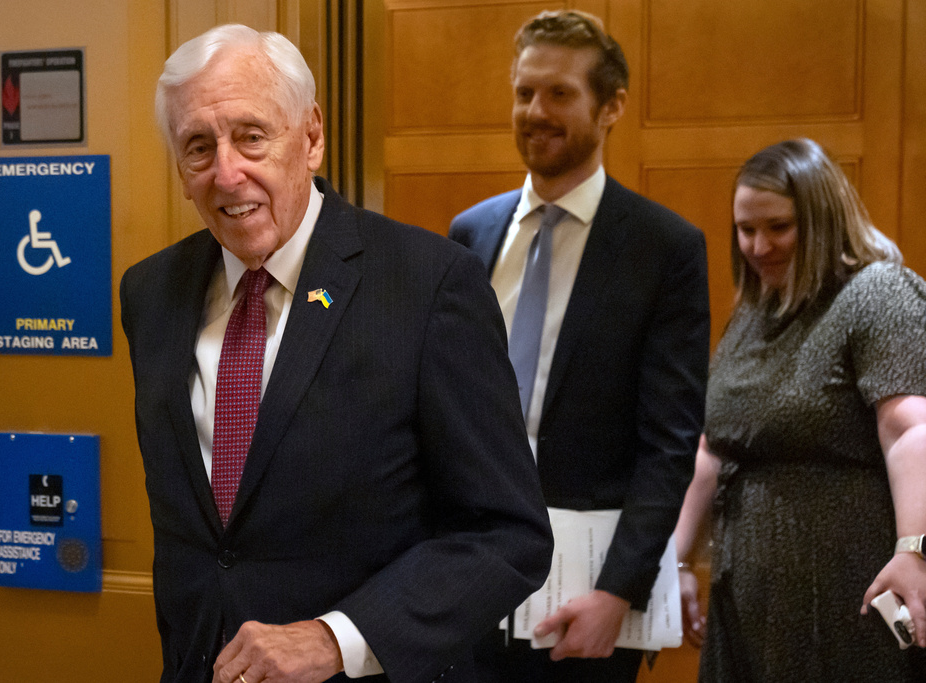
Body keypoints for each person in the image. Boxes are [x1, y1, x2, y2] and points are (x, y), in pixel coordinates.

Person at [120, 24, 554, 683]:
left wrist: (337, 638)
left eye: (251, 136)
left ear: (312, 137)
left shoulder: (428, 285)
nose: (227, 173)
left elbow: (507, 534)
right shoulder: (151, 293)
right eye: (198, 147)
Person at [449, 9, 709, 682]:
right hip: (468, 579)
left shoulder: (665, 249)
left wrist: (619, 592)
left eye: (559, 93)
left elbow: (670, 443)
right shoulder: (470, 235)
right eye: (524, 92)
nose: (535, 111)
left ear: (611, 106)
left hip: (587, 601)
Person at [673, 138, 926, 681]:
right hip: (746, 594)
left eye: (779, 227)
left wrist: (914, 550)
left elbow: (909, 429)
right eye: (746, 229)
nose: (758, 246)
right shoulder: (751, 315)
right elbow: (713, 448)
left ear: (823, 220)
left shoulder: (878, 292)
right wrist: (676, 560)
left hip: (843, 590)